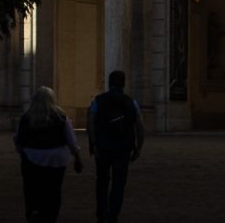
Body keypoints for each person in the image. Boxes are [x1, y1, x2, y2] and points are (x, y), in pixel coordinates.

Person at [11, 86, 82, 223]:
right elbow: (71, 141)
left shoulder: (27, 116)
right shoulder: (61, 116)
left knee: (32, 190)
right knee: (54, 191)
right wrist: (77, 159)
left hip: (31, 158)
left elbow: (17, 139)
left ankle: (33, 212)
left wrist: (22, 154)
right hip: (56, 159)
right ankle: (50, 217)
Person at [84, 70, 147, 223]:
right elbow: (140, 126)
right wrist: (138, 147)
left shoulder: (98, 101)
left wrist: (93, 144)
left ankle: (101, 213)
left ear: (109, 82)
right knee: (119, 182)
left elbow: (91, 124)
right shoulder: (131, 102)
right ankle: (113, 214)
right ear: (124, 84)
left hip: (103, 148)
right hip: (123, 148)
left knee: (102, 181)